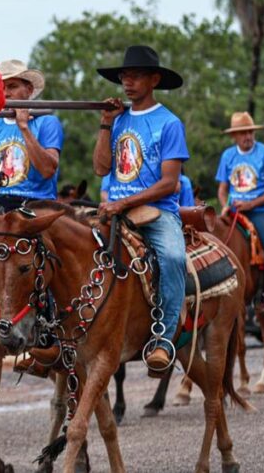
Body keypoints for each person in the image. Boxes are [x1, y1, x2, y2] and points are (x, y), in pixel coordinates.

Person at [92, 45, 188, 374]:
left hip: (157, 212)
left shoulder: (170, 123)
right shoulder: (117, 121)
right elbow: (101, 168)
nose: (127, 83)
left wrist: (124, 201)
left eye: (135, 76)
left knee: (174, 257)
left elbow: (169, 183)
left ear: (154, 79)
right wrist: (106, 124)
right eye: (123, 77)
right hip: (116, 210)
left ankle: (163, 339)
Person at [0, 60, 64, 212]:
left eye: (12, 86)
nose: (5, 93)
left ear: (29, 89)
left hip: (37, 204)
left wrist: (23, 127)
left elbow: (48, 170)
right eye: (1, 88)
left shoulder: (47, 122)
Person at [215, 112, 264, 311]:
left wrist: (252, 204)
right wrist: (225, 204)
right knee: (214, 241)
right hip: (234, 210)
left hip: (259, 211)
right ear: (234, 136)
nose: (247, 136)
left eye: (250, 132)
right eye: (242, 133)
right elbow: (222, 189)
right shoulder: (228, 155)